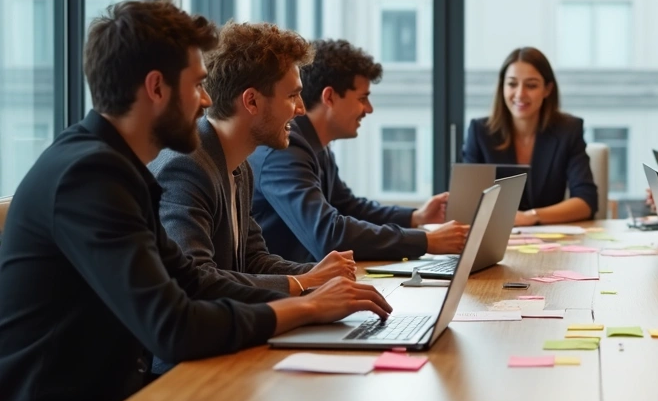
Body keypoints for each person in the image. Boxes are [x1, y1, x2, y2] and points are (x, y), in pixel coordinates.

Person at [0, 1, 391, 401]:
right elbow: (173, 327)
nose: (208, 102)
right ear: (157, 88)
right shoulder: (91, 176)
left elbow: (194, 280)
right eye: (198, 85)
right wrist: (305, 305)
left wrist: (311, 292)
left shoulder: (116, 166)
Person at [150, 22, 357, 296]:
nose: (301, 109)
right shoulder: (186, 167)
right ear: (252, 102)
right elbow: (196, 279)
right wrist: (304, 284)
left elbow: (253, 261)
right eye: (293, 95)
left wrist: (316, 274)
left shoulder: (239, 166)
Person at [250, 39, 466, 263]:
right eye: (362, 98)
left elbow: (348, 207)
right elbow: (328, 235)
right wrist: (426, 241)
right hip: (287, 286)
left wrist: (415, 216)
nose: (369, 109)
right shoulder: (285, 149)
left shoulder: (315, 145)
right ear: (329, 97)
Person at [463, 47, 597, 225]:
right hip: (493, 237)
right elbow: (466, 202)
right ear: (502, 87)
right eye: (512, 84)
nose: (520, 94)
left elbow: (586, 201)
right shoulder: (480, 132)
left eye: (531, 85)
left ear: (547, 89)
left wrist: (531, 216)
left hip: (551, 240)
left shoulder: (568, 130)